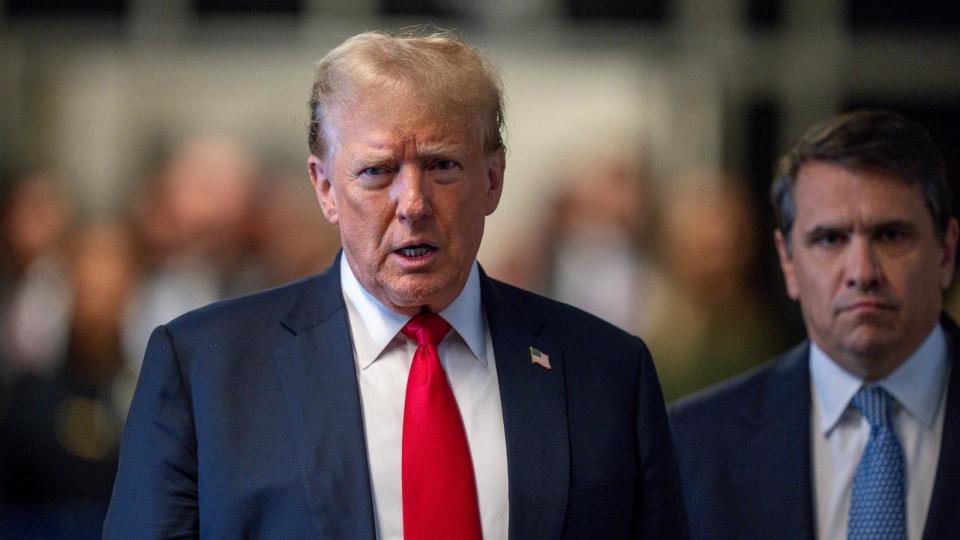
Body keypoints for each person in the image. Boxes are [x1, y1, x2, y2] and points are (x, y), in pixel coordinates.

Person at [104, 30, 686, 539]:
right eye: (377, 171)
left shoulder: (608, 371)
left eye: (442, 166)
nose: (413, 204)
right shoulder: (206, 369)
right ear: (325, 187)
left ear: (492, 179)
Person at [670, 110, 960, 539]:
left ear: (946, 253)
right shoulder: (692, 446)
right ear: (788, 262)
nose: (862, 271)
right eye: (829, 239)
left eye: (891, 235)